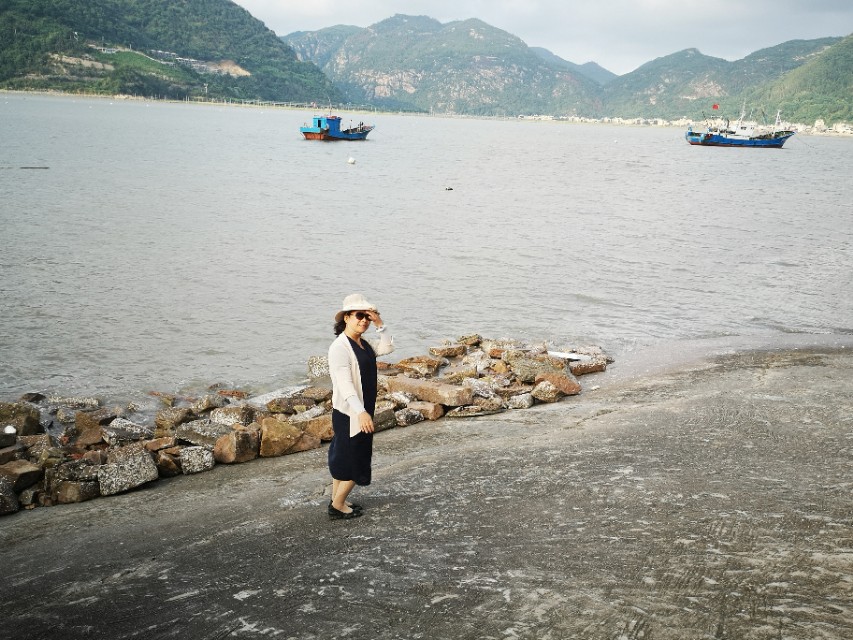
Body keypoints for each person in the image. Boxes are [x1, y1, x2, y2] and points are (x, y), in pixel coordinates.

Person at [327, 293, 394, 520]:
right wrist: (361, 412)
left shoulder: (364, 343)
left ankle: (338, 500)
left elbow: (387, 348)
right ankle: (337, 505)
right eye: (359, 315)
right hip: (350, 411)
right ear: (346, 317)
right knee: (357, 459)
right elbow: (345, 386)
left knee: (345, 457)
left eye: (367, 316)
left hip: (361, 409)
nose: (363, 320)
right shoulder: (340, 348)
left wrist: (380, 324)